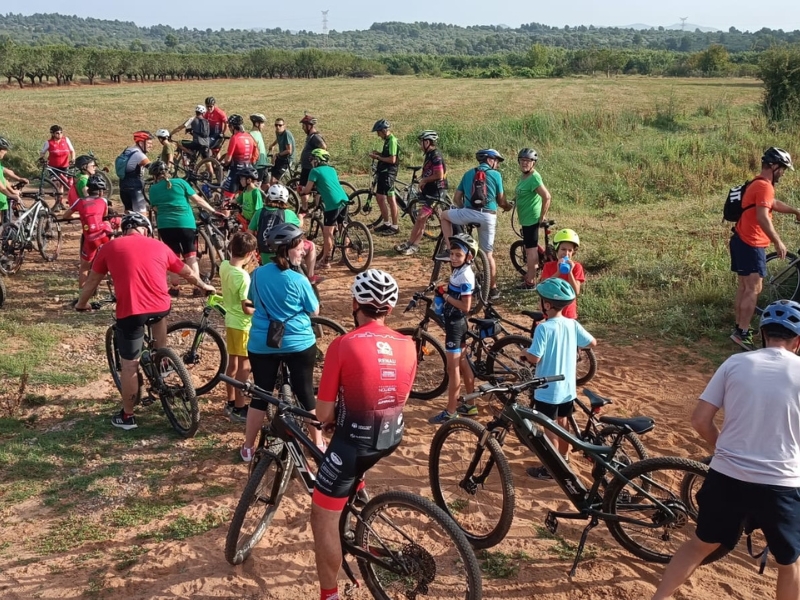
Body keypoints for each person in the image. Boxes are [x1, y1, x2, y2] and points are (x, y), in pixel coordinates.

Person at [651, 299, 800, 600]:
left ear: (762, 335)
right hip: (780, 484)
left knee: (700, 543)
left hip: (727, 476)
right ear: (797, 341)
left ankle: (660, 598)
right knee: (789, 563)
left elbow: (700, 420)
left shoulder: (735, 363)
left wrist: (725, 449)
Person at [310, 269, 416, 600]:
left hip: (354, 444)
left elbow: (323, 414)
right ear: (390, 309)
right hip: (390, 436)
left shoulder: (342, 345)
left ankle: (330, 595)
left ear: (355, 303)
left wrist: (331, 421)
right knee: (356, 464)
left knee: (321, 517)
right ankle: (359, 491)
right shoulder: (409, 344)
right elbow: (397, 396)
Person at [74, 213, 215, 430]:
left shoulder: (109, 248)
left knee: (130, 365)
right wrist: (203, 286)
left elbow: (93, 280)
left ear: (124, 230)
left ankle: (128, 416)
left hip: (131, 311)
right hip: (160, 306)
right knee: (160, 316)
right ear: (146, 230)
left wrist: (82, 304)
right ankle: (163, 357)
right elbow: (186, 271)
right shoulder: (159, 246)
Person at [240, 223, 324, 461]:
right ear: (287, 249)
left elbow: (252, 301)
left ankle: (248, 447)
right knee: (306, 394)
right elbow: (314, 310)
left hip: (262, 344)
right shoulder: (299, 280)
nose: (304, 251)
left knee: (261, 395)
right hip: (299, 343)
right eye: (300, 247)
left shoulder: (256, 274)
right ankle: (317, 444)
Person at [519, 278, 596, 480]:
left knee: (549, 426)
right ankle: (565, 456)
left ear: (546, 304)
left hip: (547, 388)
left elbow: (535, 357)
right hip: (568, 387)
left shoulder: (544, 328)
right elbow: (592, 342)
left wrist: (525, 352)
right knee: (563, 422)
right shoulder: (572, 324)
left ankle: (551, 468)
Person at [730, 147, 798, 351]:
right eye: (783, 169)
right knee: (753, 289)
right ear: (774, 166)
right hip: (752, 242)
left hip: (741, 240)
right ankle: (742, 333)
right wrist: (777, 241)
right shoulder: (765, 186)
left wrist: (794, 210)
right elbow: (761, 216)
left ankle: (739, 330)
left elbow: (772, 203)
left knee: (745, 287)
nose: (783, 173)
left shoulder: (757, 183)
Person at [439, 149, 512, 302]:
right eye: (496, 160)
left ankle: (449, 248)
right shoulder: (496, 175)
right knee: (488, 254)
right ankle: (493, 290)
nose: (497, 164)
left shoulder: (467, 174)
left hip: (468, 213)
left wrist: (462, 210)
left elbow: (457, 198)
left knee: (443, 216)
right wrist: (507, 207)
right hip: (488, 216)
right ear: (490, 160)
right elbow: (501, 201)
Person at [145, 161, 218, 296]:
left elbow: (155, 208)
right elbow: (198, 200)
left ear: (154, 176)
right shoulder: (180, 182)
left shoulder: (153, 189)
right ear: (167, 171)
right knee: (191, 256)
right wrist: (213, 211)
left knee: (173, 258)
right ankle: (197, 288)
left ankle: (175, 288)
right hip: (186, 224)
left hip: (166, 226)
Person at [429, 233, 478, 424]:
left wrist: (446, 297)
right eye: (452, 254)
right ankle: (471, 404)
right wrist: (446, 289)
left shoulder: (465, 274)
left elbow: (466, 306)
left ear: (468, 257)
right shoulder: (460, 270)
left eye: (458, 255)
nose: (454, 258)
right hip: (457, 323)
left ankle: (451, 411)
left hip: (456, 324)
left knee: (453, 368)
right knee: (463, 363)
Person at [220, 232, 258, 423]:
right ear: (251, 253)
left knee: (232, 363)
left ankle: (231, 400)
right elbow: (246, 307)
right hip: (243, 324)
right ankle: (240, 407)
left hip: (230, 321)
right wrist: (260, 309)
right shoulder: (243, 277)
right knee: (245, 365)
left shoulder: (224, 266)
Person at [249, 183, 320, 283]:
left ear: (268, 197)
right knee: (311, 245)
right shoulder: (288, 213)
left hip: (264, 254)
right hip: (283, 254)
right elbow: (299, 225)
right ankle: (311, 276)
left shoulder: (259, 212)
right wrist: (300, 216)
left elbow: (249, 232)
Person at [395, 130, 447, 256]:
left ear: (427, 142)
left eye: (421, 142)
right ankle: (410, 243)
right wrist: (422, 179)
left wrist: (424, 180)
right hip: (429, 191)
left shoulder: (436, 156)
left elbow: (439, 175)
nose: (420, 144)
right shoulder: (429, 155)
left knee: (420, 217)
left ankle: (415, 245)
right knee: (421, 219)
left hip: (437, 192)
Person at [62, 175, 114, 289]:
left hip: (90, 238)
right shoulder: (104, 201)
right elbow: (103, 216)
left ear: (88, 189)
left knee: (84, 267)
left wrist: (80, 215)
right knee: (110, 260)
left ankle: (83, 294)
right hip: (103, 236)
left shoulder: (79, 201)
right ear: (100, 192)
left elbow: (66, 215)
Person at [301, 149, 348, 270]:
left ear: (317, 159)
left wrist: (301, 191)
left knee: (328, 233)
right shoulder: (332, 169)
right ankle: (345, 257)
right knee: (343, 228)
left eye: (312, 159)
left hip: (332, 203)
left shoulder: (314, 171)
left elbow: (307, 190)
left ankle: (326, 261)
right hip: (343, 199)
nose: (311, 162)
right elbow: (328, 184)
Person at [515, 148, 552, 287]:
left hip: (531, 219)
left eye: (528, 161)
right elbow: (523, 192)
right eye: (522, 160)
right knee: (531, 247)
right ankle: (532, 272)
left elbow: (546, 196)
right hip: (525, 219)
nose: (524, 163)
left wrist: (542, 216)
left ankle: (530, 281)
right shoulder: (524, 176)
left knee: (531, 250)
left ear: (533, 163)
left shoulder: (534, 177)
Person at [538, 229, 585, 319]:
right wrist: (558, 272)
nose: (566, 253)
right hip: (551, 312)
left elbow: (576, 291)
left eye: (570, 250)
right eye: (563, 249)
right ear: (557, 250)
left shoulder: (577, 267)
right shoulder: (548, 266)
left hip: (568, 313)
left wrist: (570, 272)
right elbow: (543, 287)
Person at [369, 119, 400, 236]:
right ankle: (387, 223)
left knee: (390, 199)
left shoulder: (392, 140)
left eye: (378, 132)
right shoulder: (387, 140)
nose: (378, 134)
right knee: (379, 198)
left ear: (383, 131)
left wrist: (377, 158)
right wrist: (379, 153)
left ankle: (395, 226)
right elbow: (387, 155)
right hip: (383, 172)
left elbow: (392, 160)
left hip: (389, 173)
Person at [220, 114, 257, 201]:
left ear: (233, 127)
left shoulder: (235, 138)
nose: (229, 128)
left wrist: (224, 164)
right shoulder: (249, 136)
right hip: (248, 170)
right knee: (242, 199)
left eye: (229, 126)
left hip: (236, 171)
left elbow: (228, 159)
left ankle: (225, 213)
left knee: (227, 199)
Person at [40, 124, 75, 209]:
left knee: (62, 185)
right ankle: (57, 203)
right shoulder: (48, 143)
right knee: (56, 184)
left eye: (61, 133)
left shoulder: (66, 140)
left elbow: (72, 150)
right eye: (57, 133)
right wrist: (43, 159)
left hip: (64, 166)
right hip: (53, 167)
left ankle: (60, 202)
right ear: (52, 134)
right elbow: (42, 152)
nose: (59, 135)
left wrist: (73, 159)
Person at [118, 131, 153, 214]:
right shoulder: (139, 155)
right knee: (142, 214)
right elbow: (153, 169)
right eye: (148, 143)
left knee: (128, 212)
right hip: (135, 187)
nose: (151, 146)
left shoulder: (128, 150)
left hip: (123, 185)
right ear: (141, 143)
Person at [298, 115, 327, 213]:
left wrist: (315, 157)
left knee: (303, 187)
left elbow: (323, 147)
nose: (303, 128)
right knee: (312, 189)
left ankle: (308, 208)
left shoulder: (315, 136)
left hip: (310, 168)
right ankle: (312, 208)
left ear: (309, 126)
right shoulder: (310, 136)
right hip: (307, 166)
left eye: (304, 126)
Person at [0, 137, 29, 224]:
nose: (5, 152)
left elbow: (4, 177)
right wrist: (11, 194)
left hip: (2, 198)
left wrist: (18, 180)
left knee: (4, 224)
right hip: (2, 196)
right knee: (5, 226)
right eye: (4, 150)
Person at [268, 117, 295, 184]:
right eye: (276, 125)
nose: (278, 127)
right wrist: (272, 145)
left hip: (287, 160)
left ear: (284, 126)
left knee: (274, 180)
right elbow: (278, 139)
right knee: (272, 176)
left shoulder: (286, 134)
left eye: (280, 125)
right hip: (281, 157)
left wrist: (277, 155)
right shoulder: (278, 132)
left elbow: (289, 151)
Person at [248, 114, 269, 182]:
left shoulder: (258, 133)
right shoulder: (251, 135)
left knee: (266, 184)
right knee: (256, 184)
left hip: (264, 163)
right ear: (257, 123)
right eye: (262, 123)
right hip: (258, 164)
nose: (264, 125)